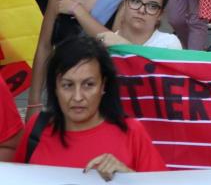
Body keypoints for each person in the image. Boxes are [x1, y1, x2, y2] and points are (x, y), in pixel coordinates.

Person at [16, 36, 166, 178]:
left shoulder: (132, 132)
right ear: (55, 88)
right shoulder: (37, 128)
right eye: (67, 85)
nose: (77, 97)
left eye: (88, 85)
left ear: (103, 85)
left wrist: (129, 178)